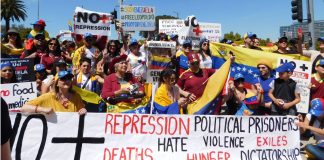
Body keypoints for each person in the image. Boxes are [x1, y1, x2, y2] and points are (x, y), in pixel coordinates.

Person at [21, 70, 87, 114]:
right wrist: (42, 109)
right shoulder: (48, 96)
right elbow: (24, 108)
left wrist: (83, 110)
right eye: (63, 79)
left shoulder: (76, 96)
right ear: (56, 83)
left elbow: (81, 110)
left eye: (69, 78)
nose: (67, 80)